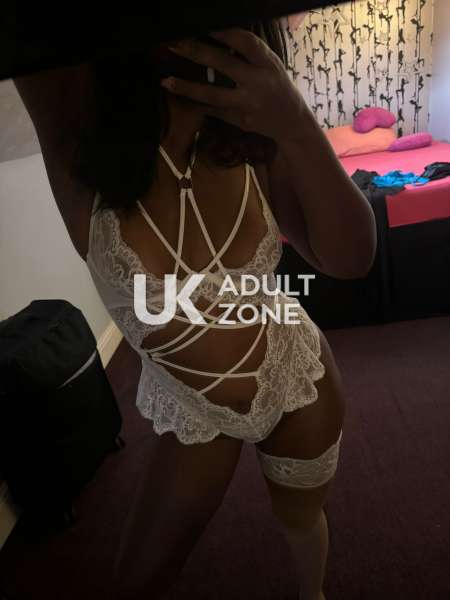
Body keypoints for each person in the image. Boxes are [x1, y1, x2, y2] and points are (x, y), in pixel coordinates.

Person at [13, 19, 376, 600]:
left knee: (302, 519)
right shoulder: (74, 131)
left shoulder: (250, 134)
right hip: (196, 408)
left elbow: (352, 259)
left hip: (294, 371)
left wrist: (296, 123)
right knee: (136, 581)